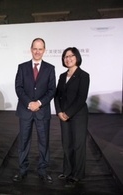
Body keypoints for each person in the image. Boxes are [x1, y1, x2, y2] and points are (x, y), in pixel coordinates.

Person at [13, 38, 56, 183]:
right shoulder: (22, 67)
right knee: (24, 142)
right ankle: (22, 170)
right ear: (31, 49)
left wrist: (39, 103)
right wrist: (29, 103)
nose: (37, 51)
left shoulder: (50, 68)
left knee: (44, 142)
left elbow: (52, 90)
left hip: (42, 112)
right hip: (26, 110)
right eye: (35, 48)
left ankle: (43, 171)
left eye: (40, 49)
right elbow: (18, 88)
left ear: (44, 50)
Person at [54, 47, 90, 186]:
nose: (68, 59)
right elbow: (57, 95)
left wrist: (68, 113)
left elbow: (81, 97)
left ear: (77, 58)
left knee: (78, 145)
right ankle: (67, 170)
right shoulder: (63, 76)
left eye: (71, 56)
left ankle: (78, 174)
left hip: (78, 115)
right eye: (65, 56)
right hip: (63, 115)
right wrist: (59, 112)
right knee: (66, 144)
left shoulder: (84, 75)